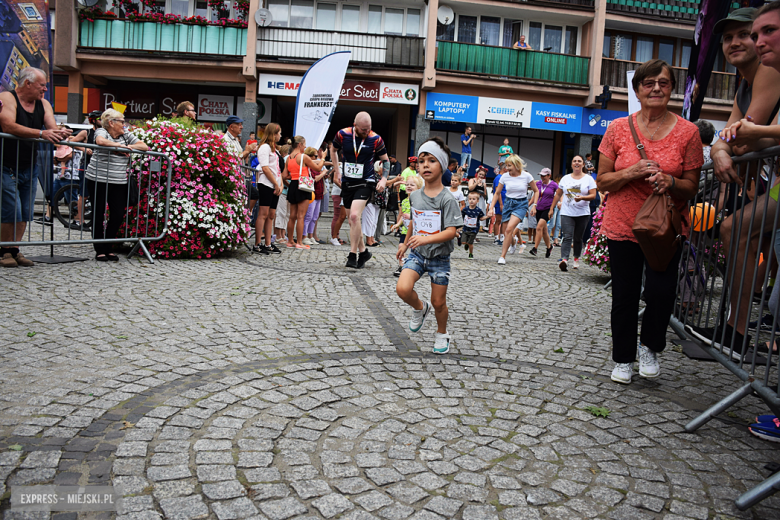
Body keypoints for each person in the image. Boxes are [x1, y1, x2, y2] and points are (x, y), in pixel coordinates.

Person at [596, 59, 703, 384]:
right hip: (622, 225)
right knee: (624, 296)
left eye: (664, 83)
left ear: (671, 89)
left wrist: (669, 182)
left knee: (661, 292)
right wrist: (632, 172)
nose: (656, 88)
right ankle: (623, 359)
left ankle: (650, 347)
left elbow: (691, 185)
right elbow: (602, 180)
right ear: (638, 89)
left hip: (664, 228)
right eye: (649, 83)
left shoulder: (689, 132)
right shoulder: (617, 128)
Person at [689, 5, 780, 354]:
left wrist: (729, 147)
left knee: (735, 229)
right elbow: (729, 138)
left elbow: (744, 134)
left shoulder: (768, 72)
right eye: (730, 37)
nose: (739, 42)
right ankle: (736, 330)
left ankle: (736, 332)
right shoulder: (746, 80)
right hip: (771, 181)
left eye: (749, 34)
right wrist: (720, 152)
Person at [396, 137, 463, 354]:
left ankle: (442, 334)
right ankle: (419, 308)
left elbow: (452, 231)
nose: (425, 165)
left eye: (432, 160)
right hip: (417, 254)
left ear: (442, 165)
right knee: (403, 289)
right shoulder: (415, 195)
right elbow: (414, 222)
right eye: (422, 160)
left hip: (439, 258)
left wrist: (426, 238)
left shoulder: (448, 199)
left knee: (439, 302)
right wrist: (405, 244)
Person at [0, 67, 70, 267]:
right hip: (5, 163)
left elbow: (51, 128)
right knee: (11, 209)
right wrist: (41, 134)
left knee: (25, 210)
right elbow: (7, 126)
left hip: (28, 165)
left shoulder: (43, 104)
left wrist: (61, 132)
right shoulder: (8, 97)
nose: (45, 90)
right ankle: (4, 251)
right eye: (42, 85)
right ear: (27, 83)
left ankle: (14, 250)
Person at [84, 108, 149, 261]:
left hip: (118, 180)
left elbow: (144, 146)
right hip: (97, 179)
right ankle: (100, 249)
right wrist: (118, 148)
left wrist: (127, 147)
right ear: (111, 123)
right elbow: (100, 141)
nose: (124, 124)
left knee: (118, 214)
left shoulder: (126, 135)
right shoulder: (102, 131)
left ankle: (108, 245)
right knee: (98, 214)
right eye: (121, 121)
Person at [331, 111, 390, 269]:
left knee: (356, 216)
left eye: (368, 129)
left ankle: (352, 255)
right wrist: (337, 170)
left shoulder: (376, 138)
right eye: (363, 130)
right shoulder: (343, 134)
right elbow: (333, 150)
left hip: (366, 181)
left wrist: (384, 179)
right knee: (352, 221)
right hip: (348, 182)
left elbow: (386, 160)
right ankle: (363, 251)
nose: (366, 132)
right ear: (355, 125)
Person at [550, 155, 598, 271]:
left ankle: (576, 258)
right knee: (567, 236)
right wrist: (551, 208)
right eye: (574, 161)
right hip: (567, 212)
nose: (577, 163)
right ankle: (564, 260)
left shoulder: (588, 179)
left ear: (583, 164)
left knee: (578, 237)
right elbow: (558, 194)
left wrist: (582, 198)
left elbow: (593, 195)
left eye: (579, 161)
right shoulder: (565, 178)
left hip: (583, 213)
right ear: (571, 164)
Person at [488, 155, 539, 264]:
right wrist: (491, 207)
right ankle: (513, 241)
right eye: (506, 165)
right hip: (508, 203)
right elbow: (497, 193)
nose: (507, 168)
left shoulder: (526, 176)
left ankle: (502, 257)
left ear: (516, 165)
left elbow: (536, 191)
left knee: (508, 229)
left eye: (509, 165)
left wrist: (534, 205)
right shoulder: (505, 176)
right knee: (507, 231)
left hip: (521, 204)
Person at [283, 136, 324, 250]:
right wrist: (323, 158)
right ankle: (299, 242)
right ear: (300, 144)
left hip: (293, 185)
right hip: (303, 185)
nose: (305, 146)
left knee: (292, 216)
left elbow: (284, 175)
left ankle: (290, 241)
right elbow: (318, 168)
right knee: (301, 216)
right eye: (304, 144)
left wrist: (294, 176)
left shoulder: (288, 158)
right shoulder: (303, 157)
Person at [253, 123, 283, 255]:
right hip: (266, 184)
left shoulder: (274, 149)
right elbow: (265, 168)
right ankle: (257, 243)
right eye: (279, 133)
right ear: (274, 133)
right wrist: (276, 184)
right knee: (263, 214)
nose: (280, 136)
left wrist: (280, 184)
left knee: (271, 215)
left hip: (275, 184)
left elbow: (278, 169)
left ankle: (268, 243)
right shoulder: (264, 147)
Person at [391, 174, 422, 276]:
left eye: (412, 185)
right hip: (405, 230)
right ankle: (402, 267)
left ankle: (416, 267)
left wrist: (411, 216)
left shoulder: (419, 202)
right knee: (401, 246)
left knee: (415, 250)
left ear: (418, 188)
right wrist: (397, 224)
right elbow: (402, 216)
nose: (408, 186)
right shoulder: (404, 201)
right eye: (407, 184)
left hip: (416, 231)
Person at [303, 147, 329, 246]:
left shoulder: (314, 166)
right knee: (308, 216)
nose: (316, 158)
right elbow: (315, 178)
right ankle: (304, 235)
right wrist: (323, 173)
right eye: (315, 156)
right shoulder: (308, 167)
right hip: (312, 193)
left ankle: (310, 236)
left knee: (314, 217)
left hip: (319, 194)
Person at [529, 168, 558, 258]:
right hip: (539, 208)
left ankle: (535, 248)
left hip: (548, 209)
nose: (542, 177)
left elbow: (558, 195)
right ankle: (549, 247)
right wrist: (528, 205)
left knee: (538, 228)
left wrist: (559, 204)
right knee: (544, 230)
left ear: (549, 176)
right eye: (541, 175)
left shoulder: (554, 185)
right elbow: (535, 195)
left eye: (544, 176)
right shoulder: (538, 184)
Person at [462, 192, 490, 259]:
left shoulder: (478, 210)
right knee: (463, 241)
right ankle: (466, 244)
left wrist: (487, 216)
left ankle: (471, 253)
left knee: (470, 243)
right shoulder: (465, 209)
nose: (471, 200)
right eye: (470, 199)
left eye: (473, 199)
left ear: (477, 201)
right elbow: (462, 217)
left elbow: (481, 218)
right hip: (465, 228)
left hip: (474, 229)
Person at [274, 143, 292, 244]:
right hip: (284, 189)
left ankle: (283, 234)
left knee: (286, 214)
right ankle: (278, 235)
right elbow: (282, 175)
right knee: (281, 212)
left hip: (288, 190)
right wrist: (288, 185)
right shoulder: (286, 160)